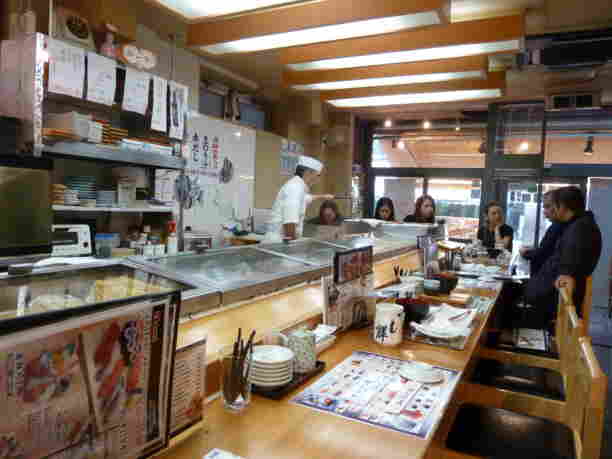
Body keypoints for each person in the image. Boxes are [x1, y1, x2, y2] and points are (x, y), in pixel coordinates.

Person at [525, 186, 602, 324]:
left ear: (563, 207)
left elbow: (566, 275)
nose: (550, 211)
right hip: (550, 295)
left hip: (552, 304)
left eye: (552, 206)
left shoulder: (579, 229)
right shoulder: (578, 225)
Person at [265, 156, 333, 242]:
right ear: (308, 172)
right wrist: (293, 245)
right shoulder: (295, 188)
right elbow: (290, 223)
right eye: (318, 175)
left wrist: (323, 196)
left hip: (281, 240)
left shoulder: (298, 186)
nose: (318, 180)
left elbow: (306, 198)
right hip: (280, 242)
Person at [519, 191, 567, 276]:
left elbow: (543, 253)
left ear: (560, 206)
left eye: (548, 207)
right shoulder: (557, 225)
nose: (544, 212)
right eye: (544, 207)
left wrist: (525, 253)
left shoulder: (558, 227)